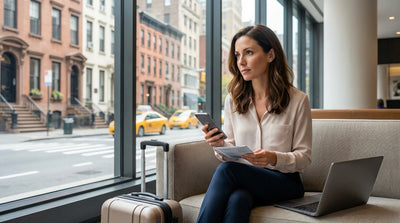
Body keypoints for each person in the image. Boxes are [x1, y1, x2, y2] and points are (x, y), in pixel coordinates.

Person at [196, 25, 312, 223]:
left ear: (270, 55)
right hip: (246, 178)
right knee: (238, 199)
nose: (241, 62)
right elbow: (229, 150)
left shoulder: (298, 100)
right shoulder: (233, 100)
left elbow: (304, 157)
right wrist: (219, 145)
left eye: (249, 53)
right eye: (237, 54)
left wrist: (274, 158)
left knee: (227, 171)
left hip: (285, 182)